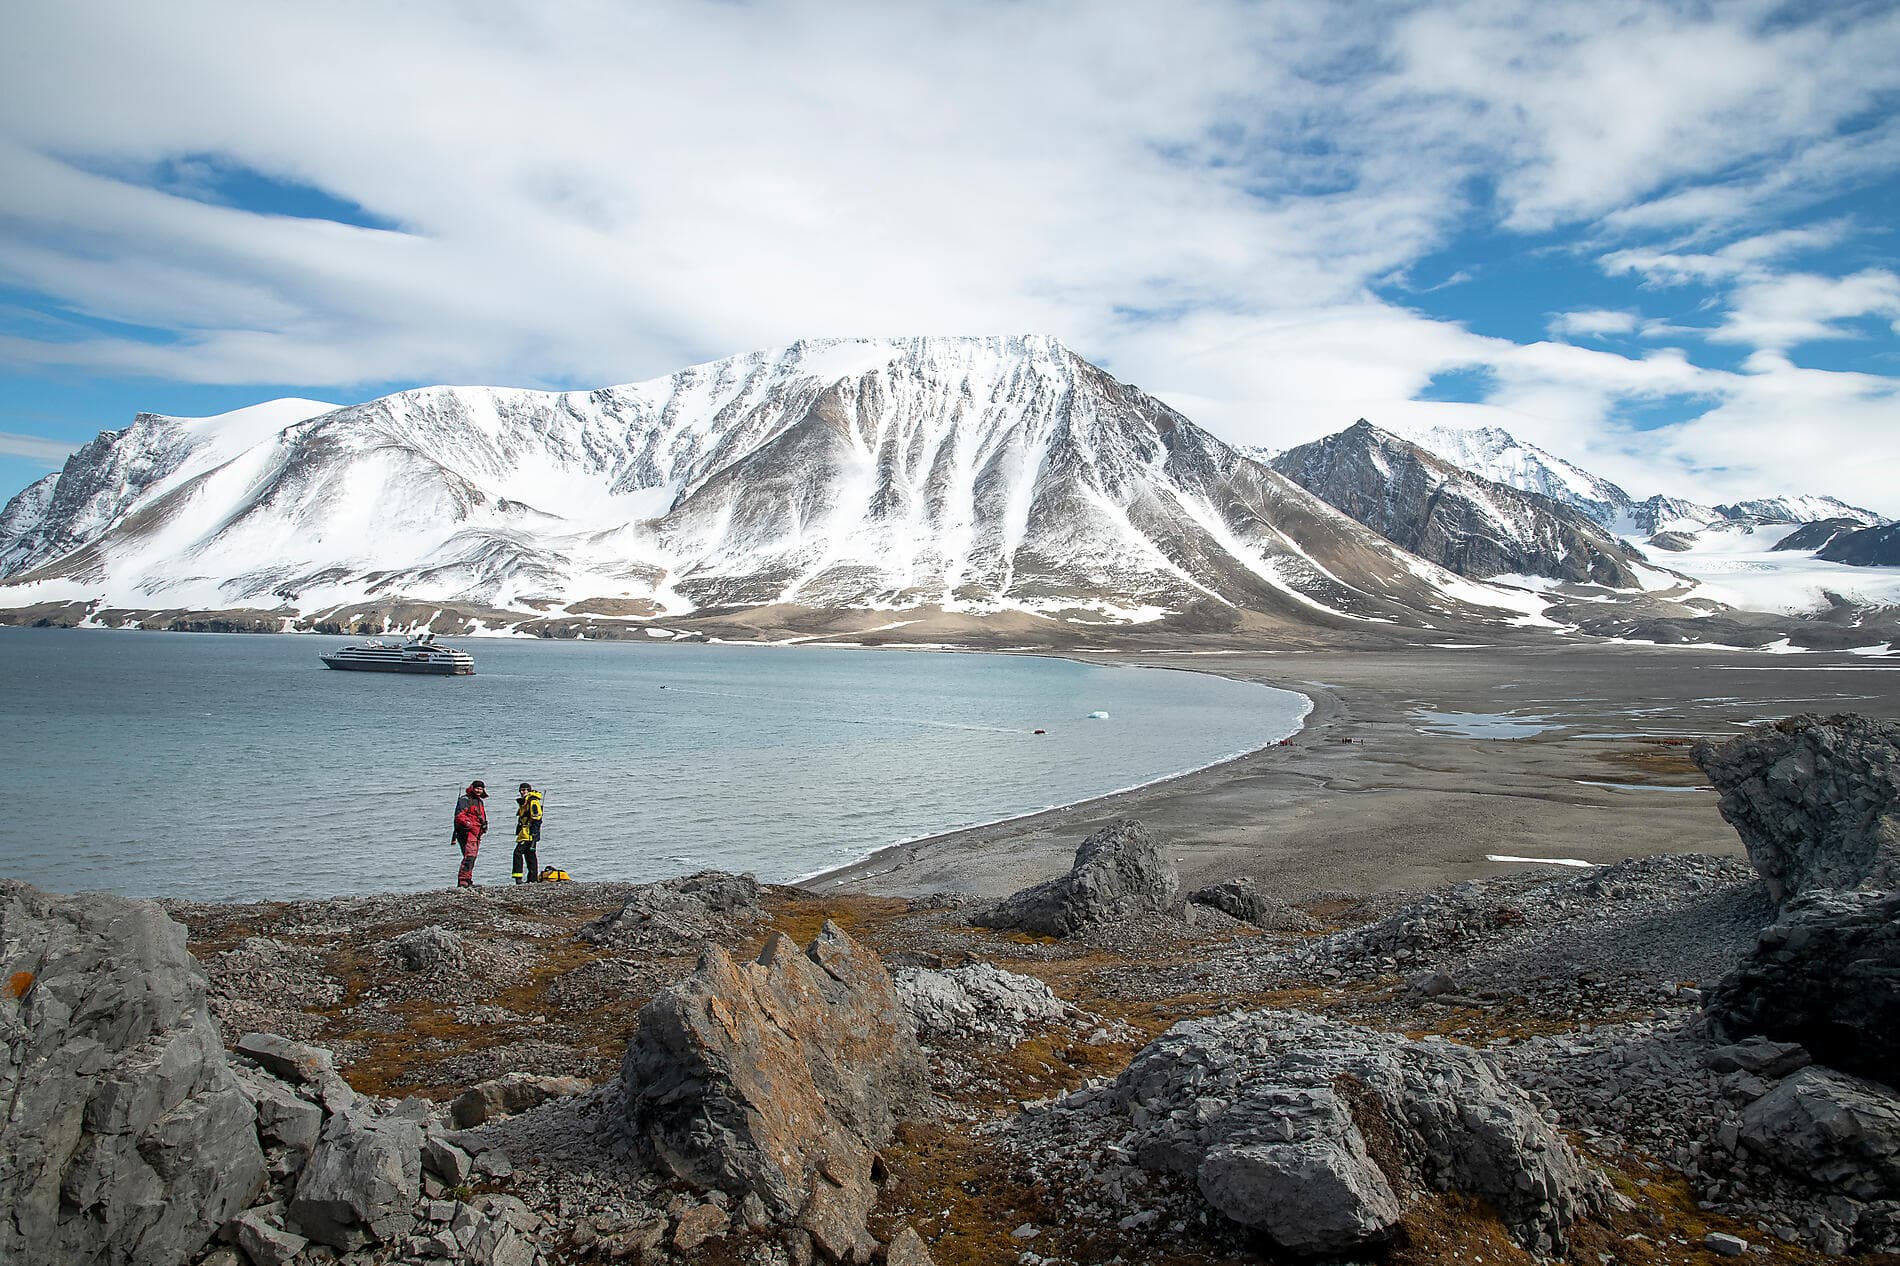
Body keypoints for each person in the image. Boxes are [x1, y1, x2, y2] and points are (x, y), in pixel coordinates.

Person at [452, 780, 488, 887]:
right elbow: (459, 816)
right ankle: (463, 881)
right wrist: (470, 825)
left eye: (481, 789)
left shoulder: (479, 801)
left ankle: (468, 879)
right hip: (467, 833)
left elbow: (481, 816)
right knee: (469, 856)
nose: (479, 791)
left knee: (471, 857)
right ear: (472, 788)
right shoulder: (465, 800)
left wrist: (484, 826)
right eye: (477, 788)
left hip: (476, 833)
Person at [513, 782, 543, 883]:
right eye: (521, 790)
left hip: (529, 833)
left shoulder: (532, 801)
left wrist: (533, 832)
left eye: (525, 790)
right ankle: (532, 878)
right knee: (530, 855)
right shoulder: (525, 802)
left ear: (529, 790)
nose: (523, 792)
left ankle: (518, 878)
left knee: (518, 852)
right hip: (524, 832)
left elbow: (537, 816)